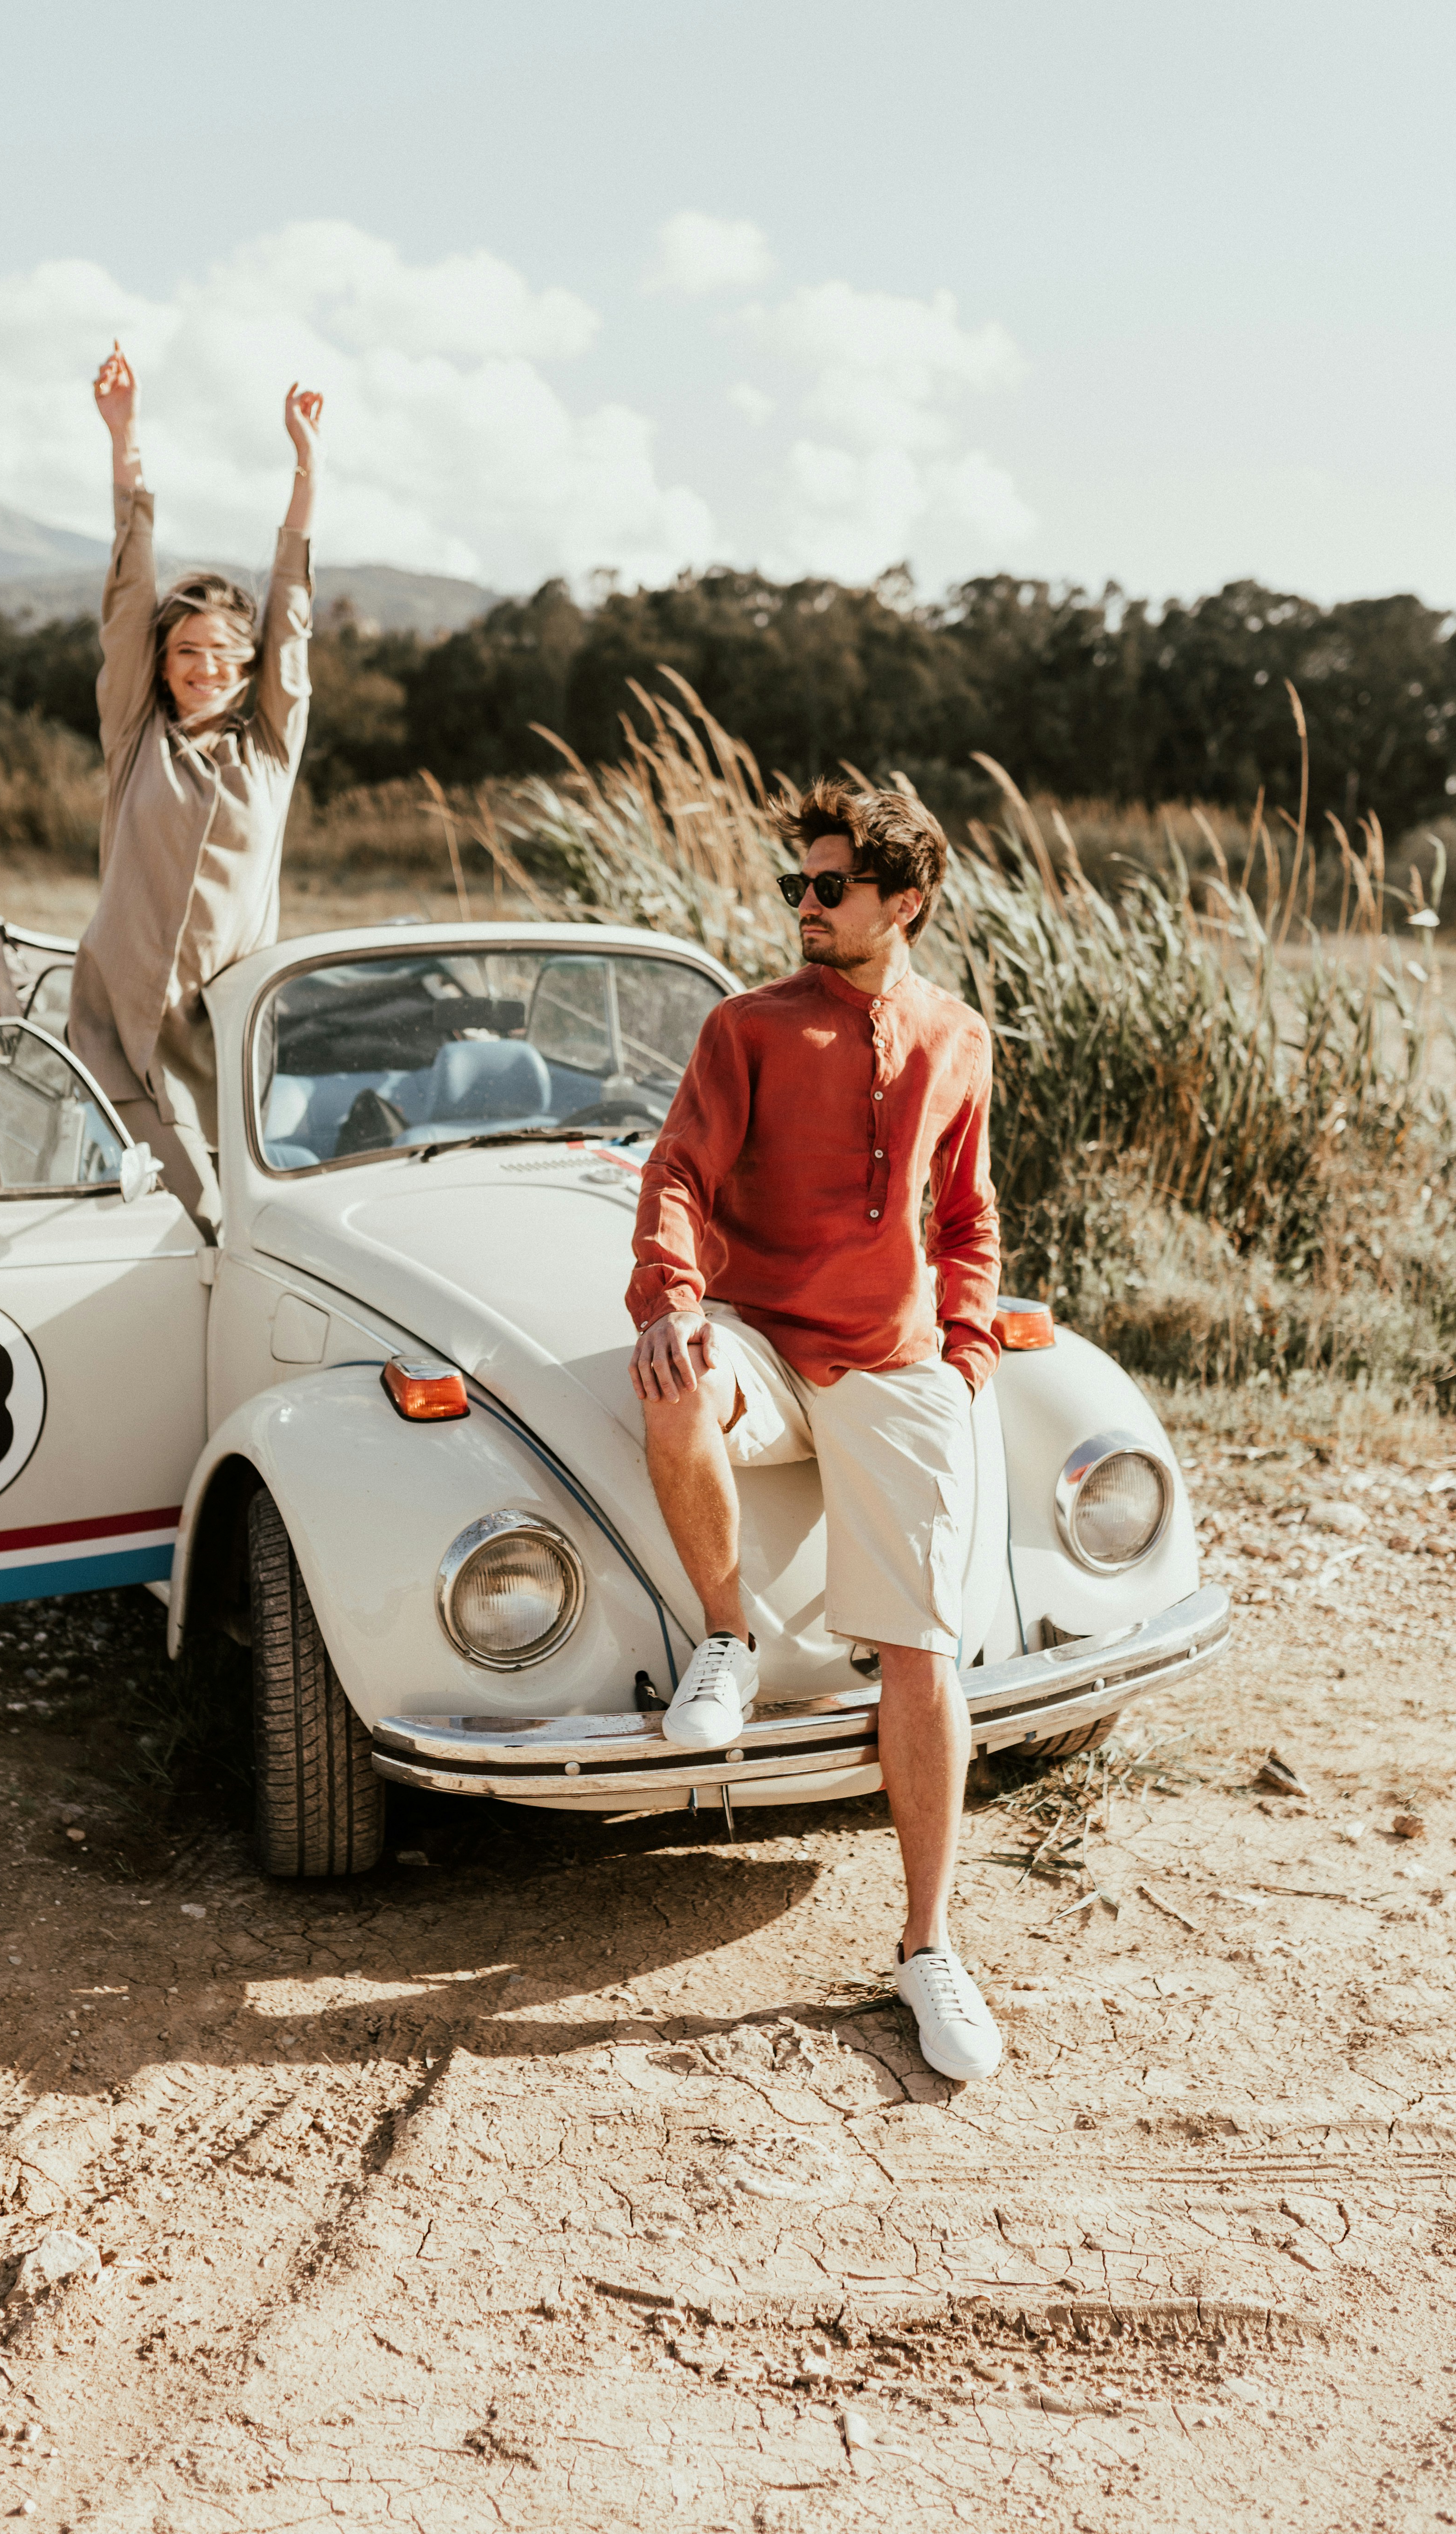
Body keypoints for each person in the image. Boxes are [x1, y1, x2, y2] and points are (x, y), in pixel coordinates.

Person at [626, 780, 1004, 2083]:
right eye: (798, 885)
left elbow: (967, 1217)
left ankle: (927, 1947)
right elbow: (677, 1173)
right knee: (669, 1378)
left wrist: (964, 1355)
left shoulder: (958, 1036)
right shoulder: (746, 1026)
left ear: (905, 902)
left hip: (894, 1364)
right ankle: (726, 1640)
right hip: (759, 1340)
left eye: (831, 888)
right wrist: (673, 1300)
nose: (805, 905)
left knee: (922, 1654)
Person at [67, 342, 321, 1235]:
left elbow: (291, 612)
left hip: (226, 1037)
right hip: (122, 1028)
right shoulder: (134, 735)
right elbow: (129, 593)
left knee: (233, 1232)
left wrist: (306, 466)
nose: (203, 667)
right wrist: (124, 439)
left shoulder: (271, 751)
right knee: (201, 1221)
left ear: (248, 670)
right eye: (185, 651)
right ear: (163, 664)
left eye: (222, 654)